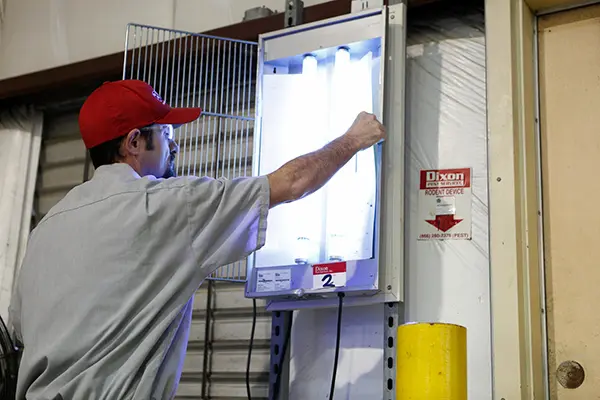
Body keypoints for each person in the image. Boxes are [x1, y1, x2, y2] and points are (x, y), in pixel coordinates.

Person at [8, 79, 386, 399]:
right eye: (167, 134)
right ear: (134, 142)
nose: (176, 147)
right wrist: (353, 140)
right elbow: (291, 184)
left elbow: (21, 332)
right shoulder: (166, 207)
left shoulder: (45, 230)